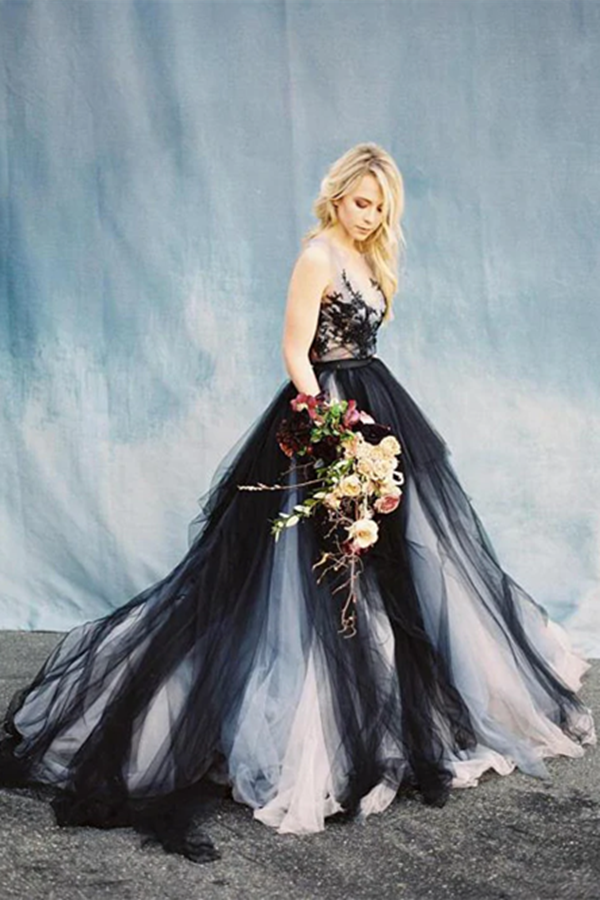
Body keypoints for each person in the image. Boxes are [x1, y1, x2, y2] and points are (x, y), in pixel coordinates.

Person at [0, 142, 595, 863]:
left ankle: (389, 710)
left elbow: (362, 337)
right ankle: (313, 725)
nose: (369, 216)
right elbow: (293, 348)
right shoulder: (317, 256)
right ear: (337, 195)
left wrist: (365, 429)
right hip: (326, 414)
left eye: (380, 207)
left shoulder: (371, 260)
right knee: (308, 572)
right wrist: (330, 428)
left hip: (376, 405)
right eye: (361, 202)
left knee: (395, 558)